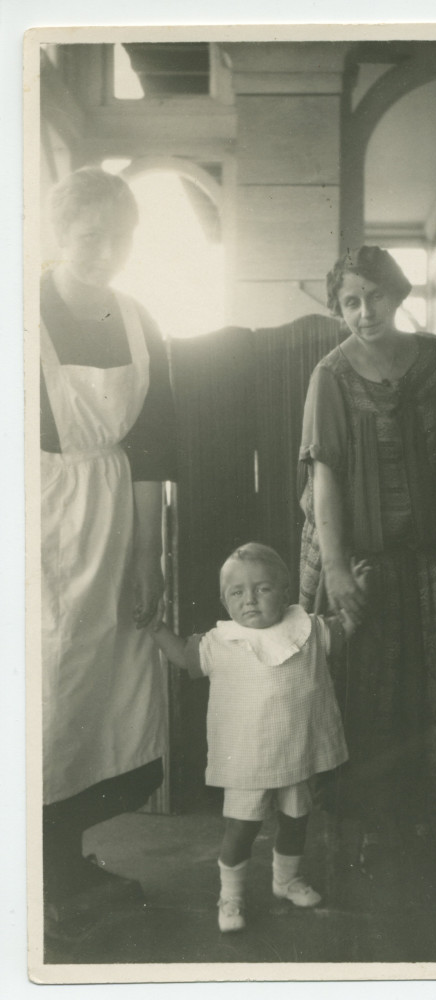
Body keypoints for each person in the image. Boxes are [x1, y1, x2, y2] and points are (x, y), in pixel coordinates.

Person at [298, 245, 436, 863]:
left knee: (426, 686)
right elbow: (326, 478)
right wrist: (339, 569)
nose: (364, 311)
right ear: (337, 308)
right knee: (364, 690)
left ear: (397, 295)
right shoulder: (331, 374)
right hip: (361, 560)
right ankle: (366, 823)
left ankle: (419, 814)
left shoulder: (434, 361)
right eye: (350, 301)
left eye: (374, 296)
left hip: (423, 559)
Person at [40, 167, 177, 927]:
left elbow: (156, 451)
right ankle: (40, 875)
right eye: (89, 234)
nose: (105, 249)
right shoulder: (19, 312)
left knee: (102, 693)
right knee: (44, 689)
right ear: (60, 236)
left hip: (114, 518)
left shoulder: (136, 319)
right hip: (35, 520)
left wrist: (148, 554)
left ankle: (64, 858)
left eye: (118, 235)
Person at [150, 542, 369, 932]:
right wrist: (156, 627)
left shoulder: (309, 629)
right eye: (237, 592)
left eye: (263, 588)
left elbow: (346, 628)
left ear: (286, 592)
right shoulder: (219, 642)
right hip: (248, 761)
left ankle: (285, 881)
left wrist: (357, 592)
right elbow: (184, 658)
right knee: (242, 828)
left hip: (297, 754)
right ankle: (230, 896)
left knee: (296, 820)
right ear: (224, 600)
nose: (249, 599)